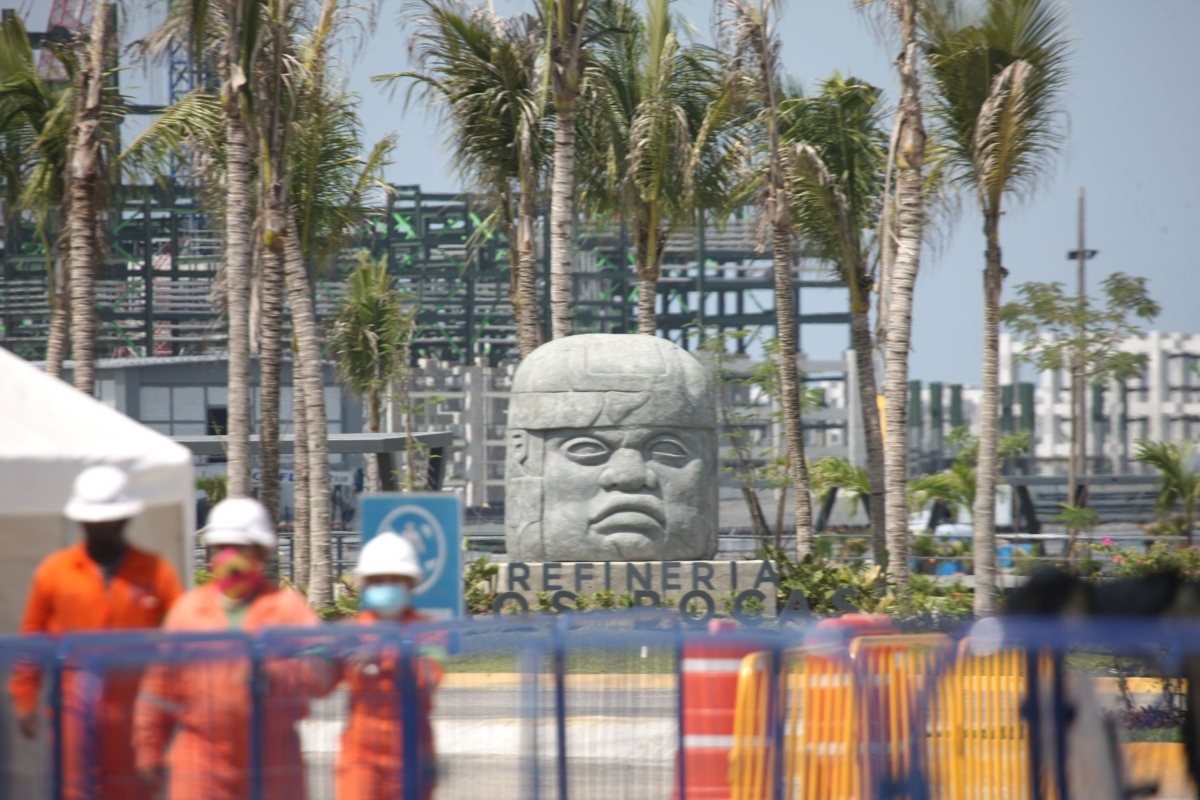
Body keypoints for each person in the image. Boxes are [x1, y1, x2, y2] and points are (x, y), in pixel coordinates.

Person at [133, 497, 335, 800]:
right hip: (201, 763)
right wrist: (148, 749)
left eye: (240, 548)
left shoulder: (287, 609)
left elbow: (324, 665)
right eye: (221, 548)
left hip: (273, 761)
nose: (229, 557)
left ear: (261, 552)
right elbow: (159, 688)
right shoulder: (188, 611)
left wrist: (279, 678)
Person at [9, 464, 184, 800]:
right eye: (94, 520)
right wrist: (25, 697)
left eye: (109, 520)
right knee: (76, 789)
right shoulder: (55, 571)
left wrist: (173, 695)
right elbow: (33, 637)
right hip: (72, 708)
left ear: (125, 519)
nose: (101, 527)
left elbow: (182, 629)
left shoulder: (155, 571)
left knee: (134, 789)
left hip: (137, 710)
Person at [337, 532, 446, 800]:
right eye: (377, 581)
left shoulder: (429, 631)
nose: (386, 586)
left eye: (394, 580)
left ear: (409, 584)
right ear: (366, 586)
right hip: (361, 757)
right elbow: (317, 676)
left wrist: (384, 656)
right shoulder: (350, 632)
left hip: (413, 753)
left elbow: (430, 676)